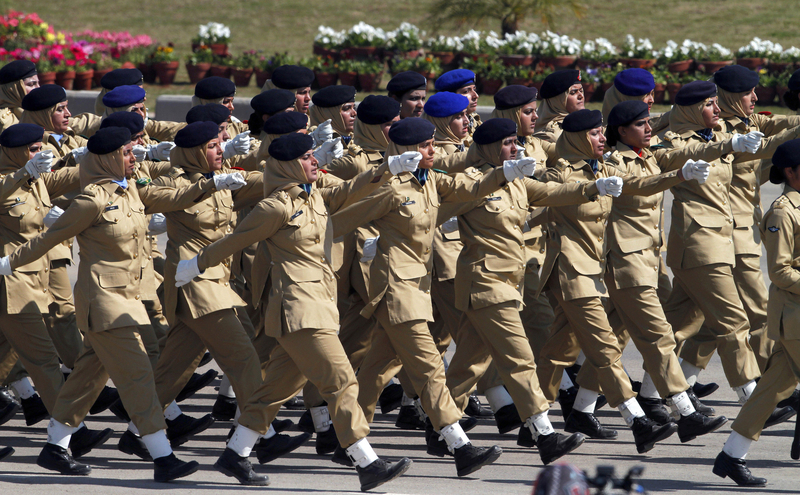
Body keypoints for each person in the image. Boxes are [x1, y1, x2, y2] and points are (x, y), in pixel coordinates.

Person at [0, 126, 238, 480]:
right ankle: (162, 455)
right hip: (103, 301)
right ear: (109, 158)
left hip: (128, 300)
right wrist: (6, 264)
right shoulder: (90, 200)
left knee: (86, 379)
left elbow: (173, 199)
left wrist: (212, 184)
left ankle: (54, 447)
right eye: (127, 153)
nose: (134, 158)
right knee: (138, 376)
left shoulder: (130, 194)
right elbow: (49, 238)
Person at [178, 132, 411, 490]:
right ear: (287, 165)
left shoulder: (313, 196)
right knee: (341, 382)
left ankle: (236, 454)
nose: (315, 161)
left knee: (274, 390)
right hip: (297, 310)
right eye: (306, 157)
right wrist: (196, 264)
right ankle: (367, 462)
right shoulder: (275, 206)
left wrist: (386, 168)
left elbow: (347, 191)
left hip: (317, 306)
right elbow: (235, 239)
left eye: (313, 155)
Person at [334, 117, 533, 476]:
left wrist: (506, 171)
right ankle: (460, 445)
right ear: (409, 150)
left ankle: (344, 438)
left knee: (376, 369)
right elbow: (337, 224)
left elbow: (468, 188)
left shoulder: (430, 180)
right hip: (396, 290)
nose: (433, 150)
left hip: (415, 290)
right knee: (429, 370)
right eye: (427, 146)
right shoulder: (391, 189)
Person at [442, 117, 620, 464]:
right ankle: (544, 434)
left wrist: (592, 188)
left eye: (516, 142)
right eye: (508, 143)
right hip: (485, 284)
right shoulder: (470, 182)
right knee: (520, 362)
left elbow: (552, 193)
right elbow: (437, 211)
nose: (516, 148)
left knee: (468, 366)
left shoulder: (518, 182)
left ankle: (440, 427)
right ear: (491, 148)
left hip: (508, 284)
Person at [534, 108, 709, 454]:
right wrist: (589, 188)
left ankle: (532, 419)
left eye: (602, 133)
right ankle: (643, 420)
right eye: (595, 134)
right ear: (577, 138)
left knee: (557, 352)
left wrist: (679, 175)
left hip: (598, 270)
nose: (602, 139)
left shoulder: (606, 168)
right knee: (605, 349)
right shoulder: (559, 172)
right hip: (571, 270)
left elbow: (637, 184)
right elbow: (553, 194)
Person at [660, 81, 800, 415]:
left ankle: (667, 389)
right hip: (714, 241)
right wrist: (734, 141)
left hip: (727, 236)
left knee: (689, 322)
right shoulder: (693, 139)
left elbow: (778, 135)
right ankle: (759, 393)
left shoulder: (729, 129)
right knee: (747, 317)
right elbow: (675, 156)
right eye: (747, 93)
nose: (755, 98)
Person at [712, 139, 800, 487]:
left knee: (768, 392)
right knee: (770, 390)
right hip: (794, 318)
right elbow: (780, 271)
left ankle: (731, 456)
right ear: (791, 173)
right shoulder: (781, 212)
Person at [533, 70, 584, 143]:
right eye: (573, 93)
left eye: (581, 91)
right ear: (557, 101)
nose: (581, 96)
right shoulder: (549, 135)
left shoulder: (587, 121)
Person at [435, 69, 481, 141]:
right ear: (450, 97)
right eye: (466, 91)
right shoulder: (444, 127)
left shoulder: (473, 120)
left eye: (474, 90)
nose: (476, 96)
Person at [0, 60, 39, 132]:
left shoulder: (43, 112)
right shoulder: (4, 121)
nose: (38, 88)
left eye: (38, 83)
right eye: (31, 84)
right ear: (13, 90)